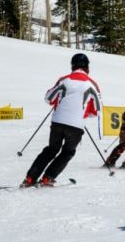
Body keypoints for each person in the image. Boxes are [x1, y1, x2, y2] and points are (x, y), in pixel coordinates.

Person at [21, 52, 101, 187]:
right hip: (76, 124)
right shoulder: (92, 84)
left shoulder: (64, 79)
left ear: (72, 66)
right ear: (87, 67)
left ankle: (30, 178)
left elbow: (48, 98)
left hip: (58, 121)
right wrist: (84, 114)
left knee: (51, 150)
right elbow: (97, 110)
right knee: (68, 152)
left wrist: (59, 104)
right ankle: (48, 178)